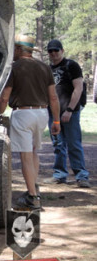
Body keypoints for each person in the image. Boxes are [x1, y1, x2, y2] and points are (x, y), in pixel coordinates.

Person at [0, 34, 61, 210]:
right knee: (33, 152)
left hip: (22, 114)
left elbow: (4, 98)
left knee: (25, 155)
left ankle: (33, 196)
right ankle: (33, 187)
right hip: (42, 113)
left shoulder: (14, 68)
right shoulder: (44, 67)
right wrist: (56, 120)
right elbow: (53, 97)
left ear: (18, 49)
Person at [46, 39, 91, 188]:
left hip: (70, 111)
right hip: (54, 113)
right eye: (50, 51)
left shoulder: (71, 65)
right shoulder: (47, 70)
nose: (53, 54)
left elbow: (78, 89)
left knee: (74, 144)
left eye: (56, 50)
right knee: (58, 144)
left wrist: (70, 110)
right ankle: (59, 175)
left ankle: (81, 176)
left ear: (62, 51)